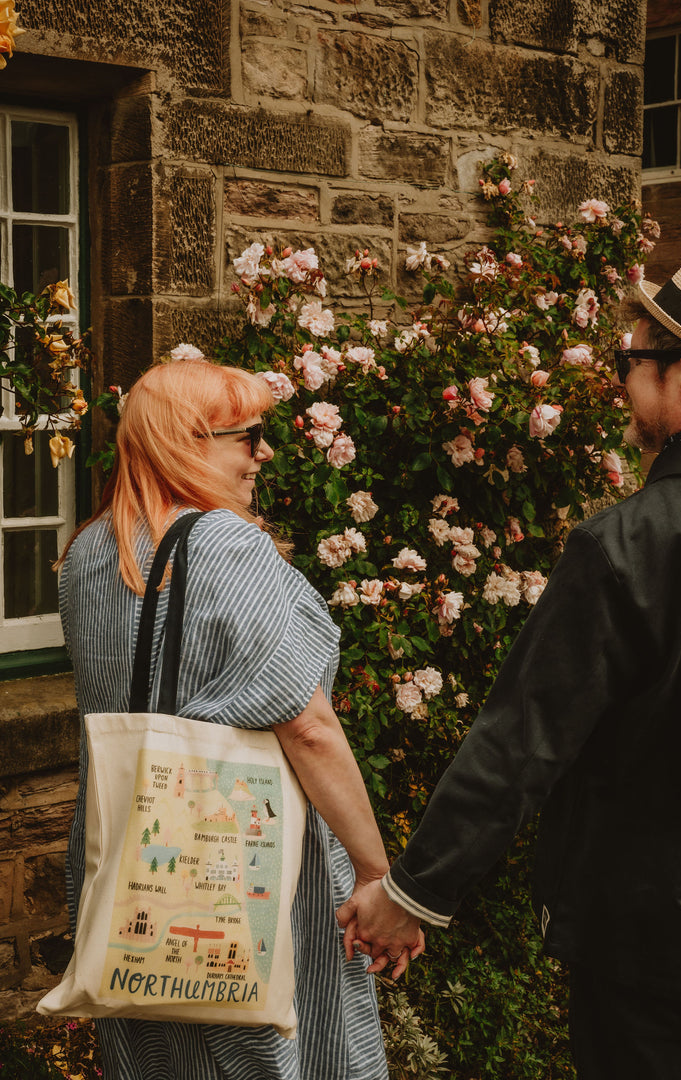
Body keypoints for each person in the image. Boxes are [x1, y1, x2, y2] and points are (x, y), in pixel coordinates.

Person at [338, 250, 681, 1079]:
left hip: (648, 943)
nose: (622, 379)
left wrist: (410, 896)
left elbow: (522, 740)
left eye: (632, 361)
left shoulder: (629, 544)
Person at [58, 357, 422, 1080]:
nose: (265, 453)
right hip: (242, 860)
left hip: (131, 851)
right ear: (187, 442)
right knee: (274, 1046)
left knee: (159, 1041)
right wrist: (380, 880)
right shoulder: (229, 545)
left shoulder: (87, 553)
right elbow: (308, 727)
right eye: (247, 436)